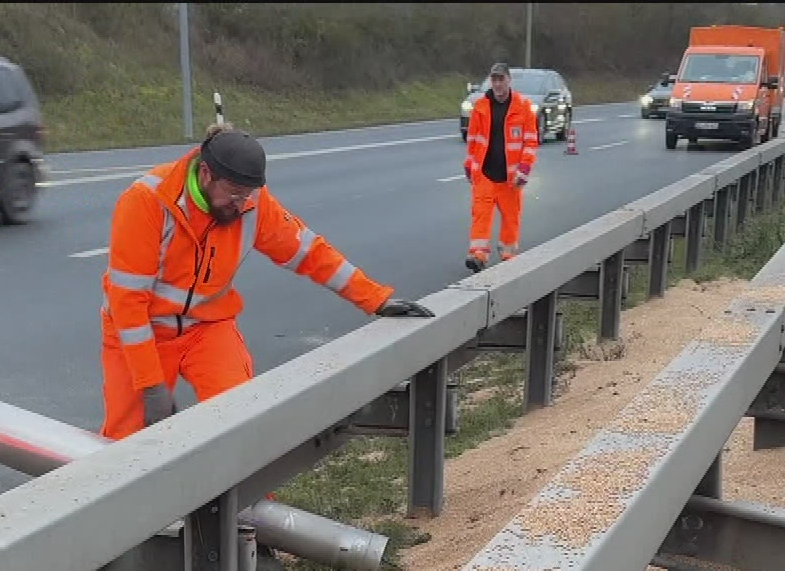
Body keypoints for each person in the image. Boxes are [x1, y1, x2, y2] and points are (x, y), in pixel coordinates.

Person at [99, 123, 433, 439]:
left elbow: (309, 253)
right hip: (140, 334)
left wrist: (375, 299)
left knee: (241, 425)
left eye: (247, 195)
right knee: (125, 444)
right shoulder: (147, 202)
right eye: (232, 194)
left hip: (206, 329)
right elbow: (127, 302)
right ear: (205, 174)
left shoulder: (251, 202)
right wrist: (150, 383)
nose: (241, 205)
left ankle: (246, 501)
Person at [462, 62, 538, 272]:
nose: (497, 83)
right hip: (484, 173)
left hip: (510, 176)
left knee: (510, 217)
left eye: (500, 79)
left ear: (508, 81)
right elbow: (473, 139)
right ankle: (478, 255)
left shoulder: (522, 107)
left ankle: (508, 254)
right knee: (480, 214)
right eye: (493, 79)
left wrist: (524, 168)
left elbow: (531, 141)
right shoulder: (480, 106)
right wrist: (469, 163)